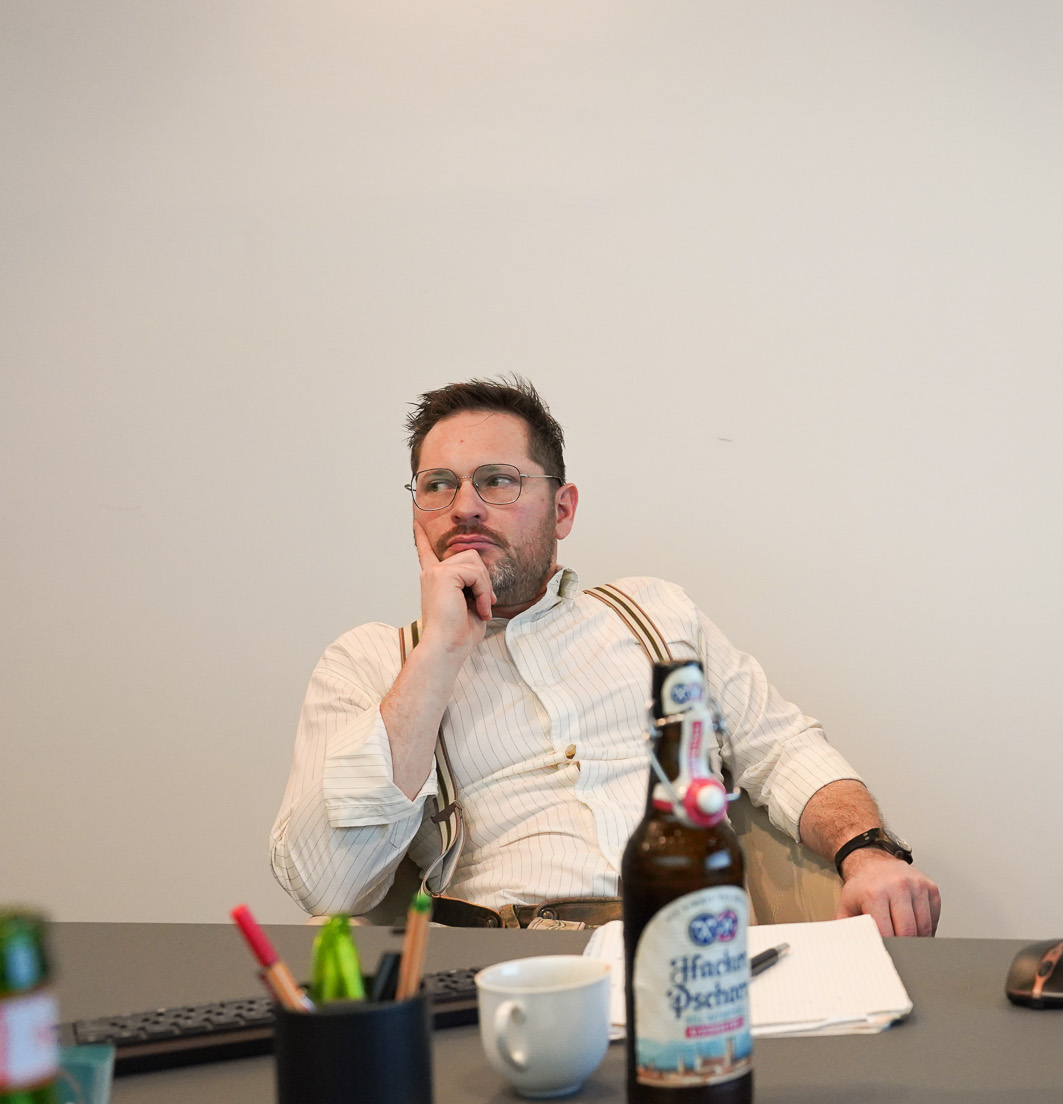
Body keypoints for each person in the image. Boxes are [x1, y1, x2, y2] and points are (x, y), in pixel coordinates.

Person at [271, 376, 941, 934]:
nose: (464, 507)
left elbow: (781, 748)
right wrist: (438, 654)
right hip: (514, 973)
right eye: (438, 484)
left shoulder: (657, 612)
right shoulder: (368, 663)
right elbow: (328, 885)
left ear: (562, 509)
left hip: (699, 945)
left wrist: (868, 853)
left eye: (498, 481)